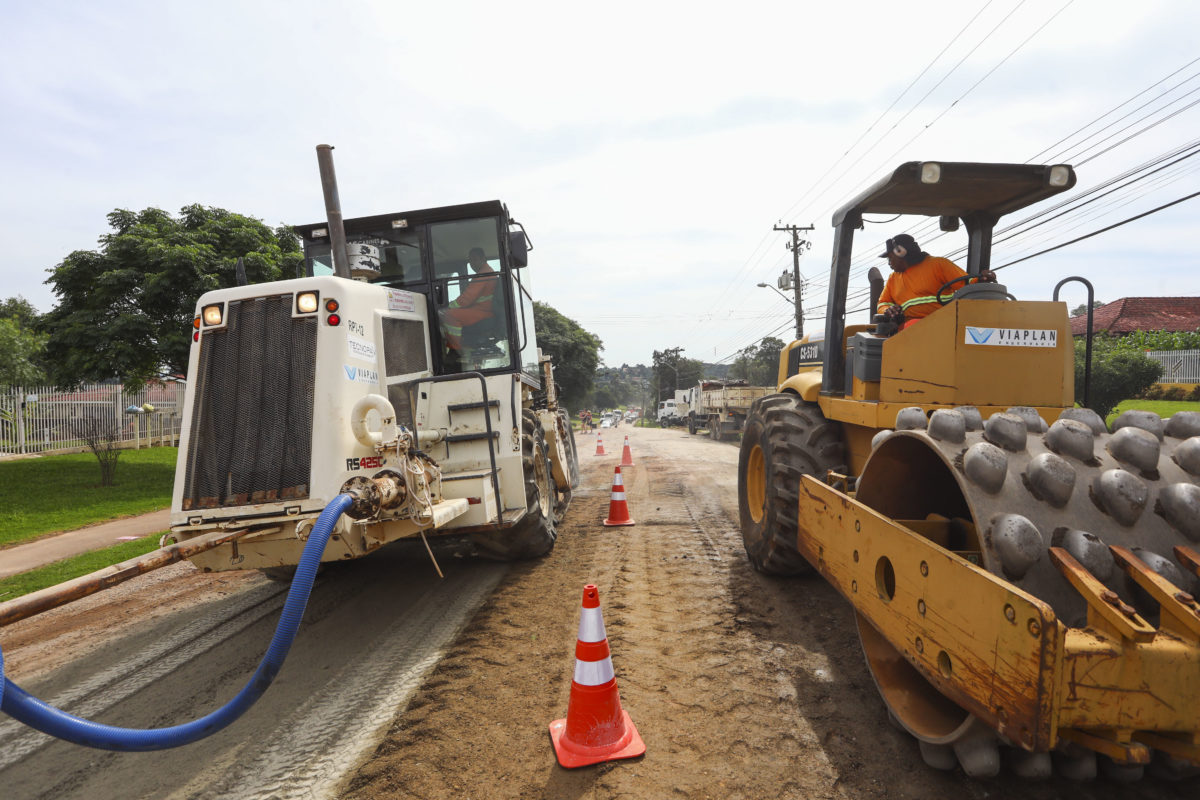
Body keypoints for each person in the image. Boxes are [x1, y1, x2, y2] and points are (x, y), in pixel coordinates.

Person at [875, 234, 996, 328]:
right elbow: (882, 303)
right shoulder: (893, 278)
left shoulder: (938, 264)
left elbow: (967, 284)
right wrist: (887, 310)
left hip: (943, 325)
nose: (889, 262)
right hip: (909, 328)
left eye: (890, 258)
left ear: (901, 252)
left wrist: (981, 279)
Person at [441, 247, 500, 356]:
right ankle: (462, 346)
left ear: (483, 259)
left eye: (475, 259)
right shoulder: (487, 272)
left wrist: (449, 307)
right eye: (470, 260)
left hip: (483, 312)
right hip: (483, 311)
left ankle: (454, 351)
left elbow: (467, 298)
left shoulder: (483, 274)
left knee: (450, 315)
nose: (472, 263)